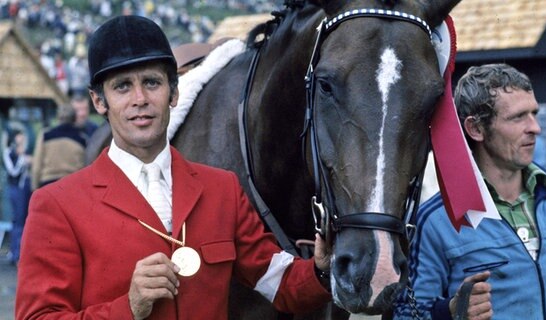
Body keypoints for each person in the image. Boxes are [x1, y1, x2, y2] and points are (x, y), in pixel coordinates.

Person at [16, 15, 331, 320]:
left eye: (152, 82)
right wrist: (128, 308)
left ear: (174, 92)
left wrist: (321, 267)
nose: (140, 98)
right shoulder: (56, 205)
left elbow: (281, 284)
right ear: (99, 102)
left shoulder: (224, 189)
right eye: (122, 86)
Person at [394, 63, 546, 319]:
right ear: (475, 128)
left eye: (534, 113)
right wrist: (449, 313)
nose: (535, 128)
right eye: (518, 117)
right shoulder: (436, 221)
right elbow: (407, 314)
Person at [30, 103, 87, 190]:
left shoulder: (45, 135)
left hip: (47, 185)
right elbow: (85, 167)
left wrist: (34, 188)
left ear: (58, 117)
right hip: (72, 186)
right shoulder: (82, 139)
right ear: (74, 119)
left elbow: (36, 166)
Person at [2, 128, 31, 265]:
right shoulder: (9, 153)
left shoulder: (23, 152)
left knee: (23, 220)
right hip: (15, 189)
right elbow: (13, 172)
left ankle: (20, 252)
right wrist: (22, 160)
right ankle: (15, 253)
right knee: (17, 221)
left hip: (25, 189)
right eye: (20, 136)